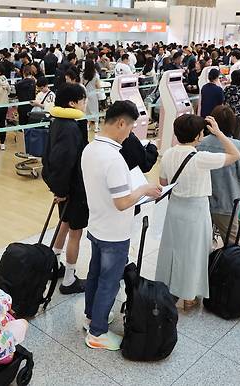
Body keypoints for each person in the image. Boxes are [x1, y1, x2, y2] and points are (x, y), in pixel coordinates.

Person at [80, 100, 162, 350]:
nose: (131, 134)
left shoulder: (90, 148)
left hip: (96, 225)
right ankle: (97, 333)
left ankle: (92, 316)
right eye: (131, 128)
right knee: (109, 281)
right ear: (120, 123)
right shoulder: (113, 159)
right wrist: (145, 189)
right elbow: (123, 202)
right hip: (114, 232)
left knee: (95, 275)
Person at [155, 114, 240, 310]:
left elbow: (163, 183)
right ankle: (188, 297)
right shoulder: (200, 158)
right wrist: (218, 132)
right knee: (193, 253)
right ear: (198, 135)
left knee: (172, 249)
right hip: (196, 210)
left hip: (175, 208)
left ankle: (169, 288)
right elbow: (235, 155)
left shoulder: (167, 154)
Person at [41, 84, 89, 295]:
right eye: (83, 100)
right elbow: (63, 162)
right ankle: (69, 279)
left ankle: (54, 265)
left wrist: (57, 189)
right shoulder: (70, 128)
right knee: (75, 233)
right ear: (72, 103)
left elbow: (49, 158)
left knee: (64, 224)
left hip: (65, 188)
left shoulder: (59, 122)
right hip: (73, 189)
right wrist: (60, 190)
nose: (85, 103)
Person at [197, 105, 240, 242]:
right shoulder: (238, 147)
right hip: (226, 203)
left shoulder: (200, 143)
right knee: (231, 245)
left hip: (202, 201)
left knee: (202, 242)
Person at [223, 69, 240, 141]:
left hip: (228, 113)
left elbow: (224, 100)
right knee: (237, 133)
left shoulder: (227, 89)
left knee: (228, 132)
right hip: (239, 114)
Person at [82, 59, 101, 131]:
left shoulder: (83, 75)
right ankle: (96, 127)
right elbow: (98, 86)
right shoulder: (95, 75)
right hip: (94, 94)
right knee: (95, 110)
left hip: (86, 94)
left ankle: (87, 126)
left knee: (87, 111)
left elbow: (82, 84)